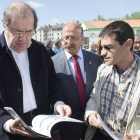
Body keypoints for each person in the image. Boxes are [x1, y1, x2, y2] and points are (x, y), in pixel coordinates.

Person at [0, 2, 72, 140]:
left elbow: (52, 81)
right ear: (5, 24)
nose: (23, 37)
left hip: (42, 127)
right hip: (9, 131)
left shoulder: (40, 50)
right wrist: (6, 122)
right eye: (17, 31)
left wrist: (58, 103)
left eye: (28, 31)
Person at [84, 20, 140, 140]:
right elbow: (94, 97)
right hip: (98, 135)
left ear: (128, 44)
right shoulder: (103, 70)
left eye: (108, 47)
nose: (103, 53)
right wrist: (90, 113)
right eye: (101, 47)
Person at [52, 23, 102, 140]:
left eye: (74, 38)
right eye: (66, 38)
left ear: (82, 39)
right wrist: (56, 129)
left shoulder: (96, 59)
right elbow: (51, 93)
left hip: (94, 122)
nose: (69, 42)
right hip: (67, 125)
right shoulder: (52, 62)